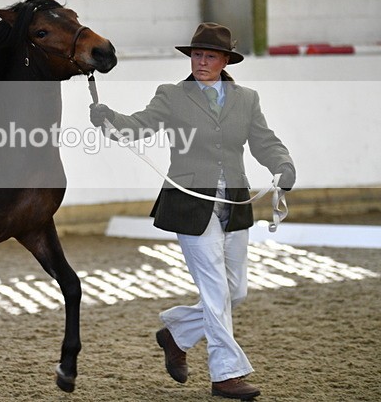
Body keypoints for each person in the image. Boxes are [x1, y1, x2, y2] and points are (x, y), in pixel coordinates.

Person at [90, 22, 295, 400]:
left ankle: (176, 333)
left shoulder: (246, 99)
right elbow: (139, 126)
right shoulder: (172, 95)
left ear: (225, 60)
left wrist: (283, 165)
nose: (201, 62)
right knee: (217, 291)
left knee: (236, 290)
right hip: (189, 203)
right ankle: (226, 376)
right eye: (197, 55)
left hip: (233, 204)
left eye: (210, 56)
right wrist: (110, 119)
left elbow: (264, 142)